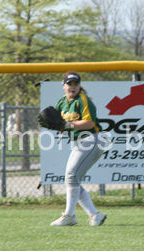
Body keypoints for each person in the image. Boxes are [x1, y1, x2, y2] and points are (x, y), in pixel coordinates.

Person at [50, 71, 107, 227]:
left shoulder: (83, 100)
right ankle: (95, 215)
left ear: (79, 86)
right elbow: (59, 124)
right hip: (81, 142)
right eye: (69, 84)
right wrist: (55, 125)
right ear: (64, 86)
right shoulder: (62, 102)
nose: (72, 87)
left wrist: (65, 125)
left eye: (76, 84)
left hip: (92, 139)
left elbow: (88, 123)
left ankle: (69, 215)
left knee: (71, 176)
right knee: (72, 179)